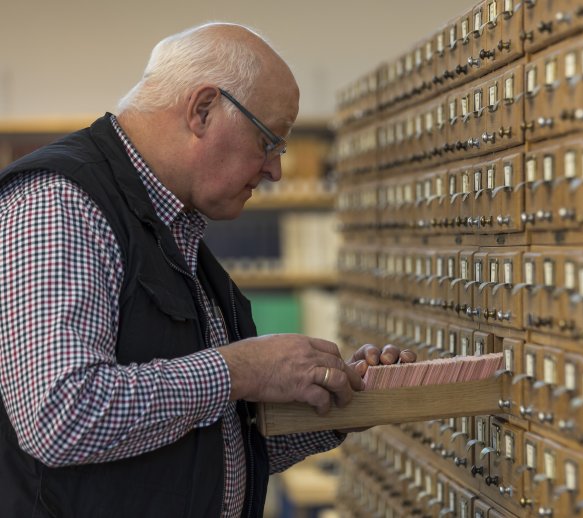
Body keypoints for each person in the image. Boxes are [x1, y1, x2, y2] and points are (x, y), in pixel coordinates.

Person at [0, 22, 413, 517]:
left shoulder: (174, 229)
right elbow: (61, 415)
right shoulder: (62, 204)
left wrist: (339, 404)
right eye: (269, 141)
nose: (275, 170)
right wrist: (241, 369)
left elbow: (209, 448)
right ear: (202, 110)